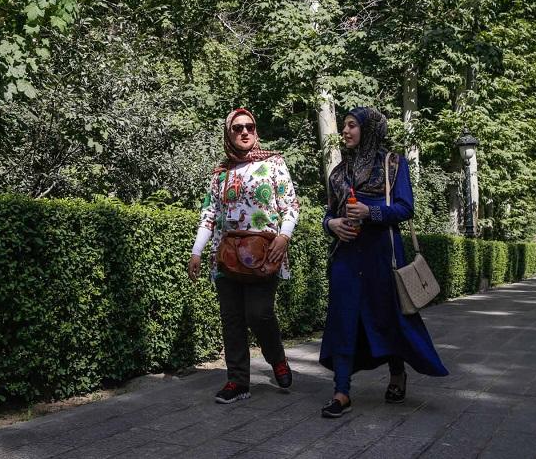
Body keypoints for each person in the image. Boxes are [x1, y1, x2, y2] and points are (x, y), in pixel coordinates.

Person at [319, 107, 448, 418]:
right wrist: (331, 225)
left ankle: (397, 372)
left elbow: (406, 208)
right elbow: (330, 213)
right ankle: (341, 392)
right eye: (344, 125)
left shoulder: (393, 164)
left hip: (382, 257)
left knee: (389, 317)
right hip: (346, 258)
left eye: (352, 125)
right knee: (344, 319)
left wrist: (371, 213)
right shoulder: (338, 173)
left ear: (369, 129)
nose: (345, 131)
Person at [188, 108, 300, 404]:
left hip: (264, 253)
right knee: (232, 319)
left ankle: (276, 358)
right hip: (226, 256)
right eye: (237, 128)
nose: (244, 132)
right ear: (229, 134)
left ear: (256, 130)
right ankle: (237, 382)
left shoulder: (273, 163)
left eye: (249, 126)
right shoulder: (220, 172)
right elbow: (209, 214)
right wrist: (197, 251)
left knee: (259, 313)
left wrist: (284, 237)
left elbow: (290, 206)